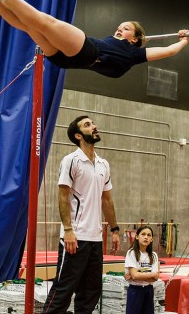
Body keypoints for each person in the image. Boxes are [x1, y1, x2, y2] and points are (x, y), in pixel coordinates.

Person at [0, 0, 189, 78]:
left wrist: (183, 40)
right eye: (119, 26)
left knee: (46, 22)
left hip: (86, 53)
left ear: (134, 38)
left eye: (125, 28)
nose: (118, 28)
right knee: (30, 26)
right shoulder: (117, 44)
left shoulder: (135, 54)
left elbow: (169, 51)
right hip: (69, 60)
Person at [44, 115, 121, 314]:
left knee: (91, 293)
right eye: (88, 125)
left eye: (92, 123)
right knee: (63, 290)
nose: (94, 126)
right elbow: (63, 197)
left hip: (95, 239)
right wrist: (68, 230)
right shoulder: (71, 161)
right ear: (78, 135)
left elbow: (107, 200)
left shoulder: (103, 164)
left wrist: (114, 229)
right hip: (75, 238)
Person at [124, 225, 160, 314]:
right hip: (135, 291)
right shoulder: (131, 253)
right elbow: (136, 275)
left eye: (149, 235)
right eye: (143, 234)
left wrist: (136, 275)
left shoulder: (153, 255)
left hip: (148, 290)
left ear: (151, 239)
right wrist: (152, 274)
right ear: (137, 236)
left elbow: (155, 278)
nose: (146, 237)